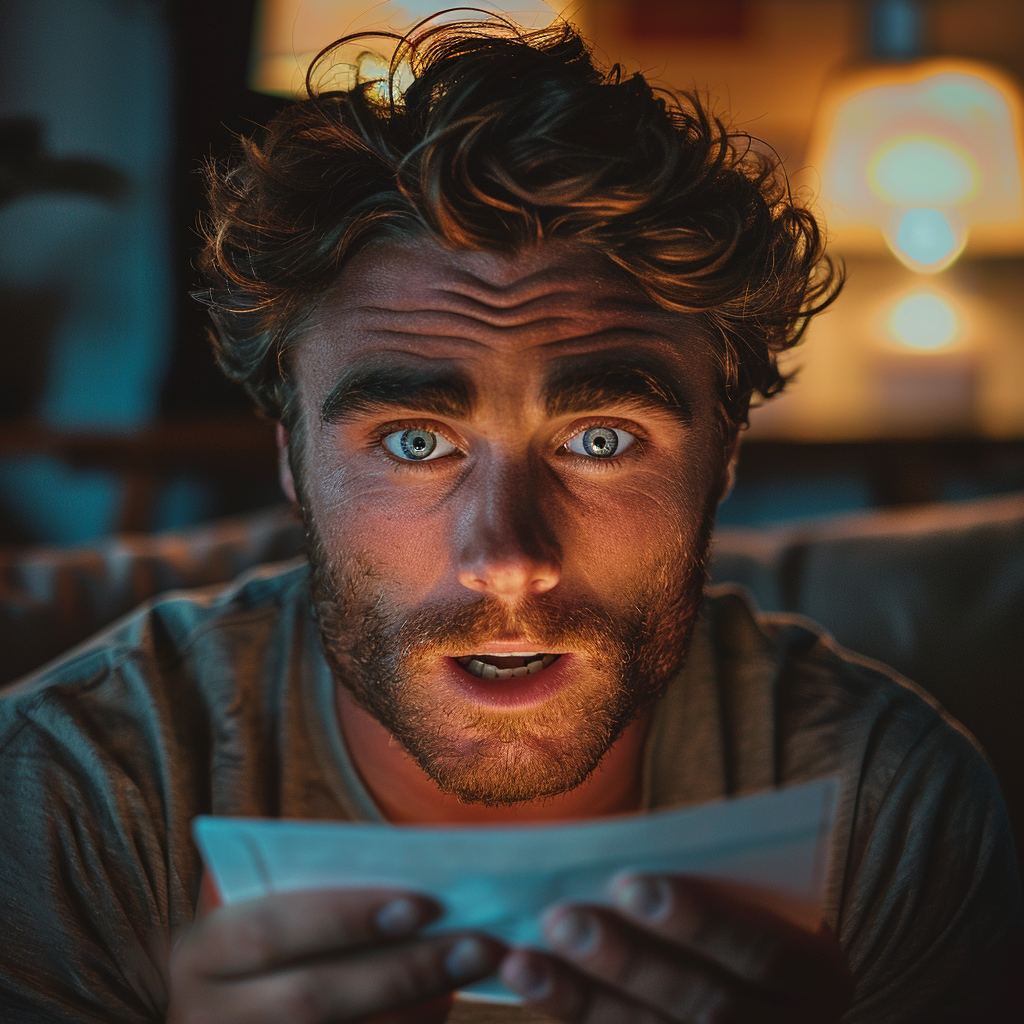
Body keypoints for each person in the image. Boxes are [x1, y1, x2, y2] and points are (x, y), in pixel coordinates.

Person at [0, 16, 1019, 1024]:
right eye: (411, 441)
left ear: (723, 459)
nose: (508, 560)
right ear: (293, 463)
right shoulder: (68, 797)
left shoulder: (890, 805)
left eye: (602, 439)